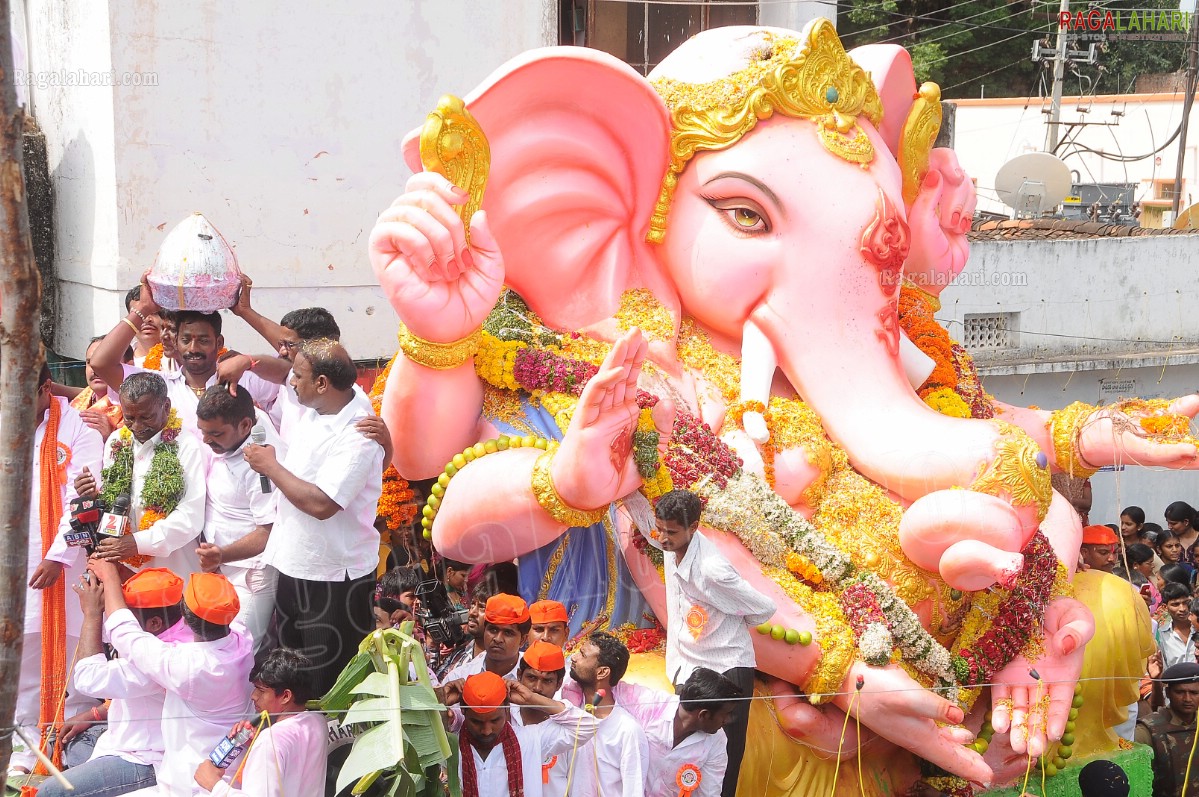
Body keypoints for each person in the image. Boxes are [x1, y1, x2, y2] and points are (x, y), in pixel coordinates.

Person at [243, 338, 384, 694]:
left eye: (299, 376)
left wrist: (270, 467)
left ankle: (327, 749)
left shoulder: (358, 433)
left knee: (326, 683)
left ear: (322, 383)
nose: (290, 382)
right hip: (295, 563)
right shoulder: (323, 403)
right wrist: (246, 361)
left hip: (332, 578)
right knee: (293, 674)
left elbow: (323, 505)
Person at [6, 365, 104, 778]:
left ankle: (68, 747)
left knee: (70, 659)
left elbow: (83, 498)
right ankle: (24, 753)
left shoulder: (78, 428)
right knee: (23, 660)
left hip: (62, 565)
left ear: (46, 387)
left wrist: (56, 556)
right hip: (12, 565)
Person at [646, 489, 775, 797]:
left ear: (693, 527)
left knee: (724, 760)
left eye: (671, 532)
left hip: (726, 668)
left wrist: (724, 620)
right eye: (659, 529)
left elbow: (763, 608)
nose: (663, 538)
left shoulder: (712, 571)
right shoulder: (671, 544)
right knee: (685, 751)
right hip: (689, 665)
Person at [92, 562, 253, 797]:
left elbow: (127, 636)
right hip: (223, 774)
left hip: (192, 785)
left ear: (184, 620)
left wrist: (110, 578)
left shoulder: (188, 666)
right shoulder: (242, 638)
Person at [38, 569, 194, 797]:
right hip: (120, 738)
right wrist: (94, 714)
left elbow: (88, 679)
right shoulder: (174, 631)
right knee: (73, 742)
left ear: (154, 622)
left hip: (148, 760)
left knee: (51, 792)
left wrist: (92, 614)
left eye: (126, 616)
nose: (118, 619)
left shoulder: (163, 657)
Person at [90, 284, 278, 438]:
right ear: (175, 341)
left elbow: (292, 359)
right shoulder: (158, 385)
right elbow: (101, 363)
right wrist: (142, 310)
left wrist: (246, 313)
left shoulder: (243, 378)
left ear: (218, 342)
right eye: (186, 340)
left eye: (203, 341)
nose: (194, 349)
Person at [75, 372, 207, 578]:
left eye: (146, 417)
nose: (137, 427)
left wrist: (138, 543)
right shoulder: (117, 440)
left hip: (174, 567)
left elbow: (191, 514)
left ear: (166, 406)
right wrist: (93, 496)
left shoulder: (186, 445)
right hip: (124, 567)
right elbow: (114, 501)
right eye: (129, 418)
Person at [193, 386, 284, 655]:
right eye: (203, 432)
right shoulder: (219, 446)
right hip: (219, 571)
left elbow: (267, 532)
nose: (207, 440)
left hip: (251, 576)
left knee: (238, 653)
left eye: (216, 433)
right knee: (210, 649)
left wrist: (221, 554)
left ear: (245, 425)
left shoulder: (259, 466)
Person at [193, 648, 328, 796]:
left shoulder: (269, 742)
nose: (253, 696)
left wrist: (214, 784)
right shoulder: (318, 722)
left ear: (285, 696)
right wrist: (254, 744)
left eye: (261, 690)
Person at [447, 671, 598, 797]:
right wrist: (439, 699)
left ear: (507, 708)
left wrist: (532, 698)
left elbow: (586, 725)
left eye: (495, 720)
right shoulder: (448, 743)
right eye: (477, 722)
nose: (487, 731)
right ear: (463, 710)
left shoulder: (529, 739)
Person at [624, 667, 741, 797]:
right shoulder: (649, 704)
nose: (728, 720)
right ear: (704, 715)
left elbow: (709, 793)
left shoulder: (717, 741)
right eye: (726, 714)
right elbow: (607, 689)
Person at [567, 632, 650, 797]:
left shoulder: (627, 730)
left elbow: (633, 791)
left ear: (602, 672)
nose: (573, 658)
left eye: (582, 654)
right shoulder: (571, 713)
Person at [1135, 661, 1199, 797]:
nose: (1187, 699)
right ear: (1168, 693)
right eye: (1180, 692)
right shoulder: (1148, 730)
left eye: (1194, 693)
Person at [443, 594, 530, 684]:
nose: (498, 639)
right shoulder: (459, 677)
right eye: (493, 630)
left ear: (523, 640)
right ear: (485, 630)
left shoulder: (537, 677)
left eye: (508, 633)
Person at [70, 336, 131, 440]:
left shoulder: (137, 409)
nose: (95, 369)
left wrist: (110, 437)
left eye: (104, 362)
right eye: (90, 362)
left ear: (129, 366)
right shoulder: (73, 406)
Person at [1155, 583, 1196, 668]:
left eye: (1185, 602)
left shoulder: (1197, 628)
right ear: (1165, 607)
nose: (1183, 609)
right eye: (1175, 604)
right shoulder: (1161, 636)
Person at [125, 284, 164, 366]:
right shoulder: (121, 359)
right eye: (139, 314)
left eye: (155, 313)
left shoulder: (176, 360)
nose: (147, 319)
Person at [1166, 501, 1199, 569]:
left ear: (1186, 522)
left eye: (1173, 524)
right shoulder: (1168, 539)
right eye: (1168, 523)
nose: (1169, 527)